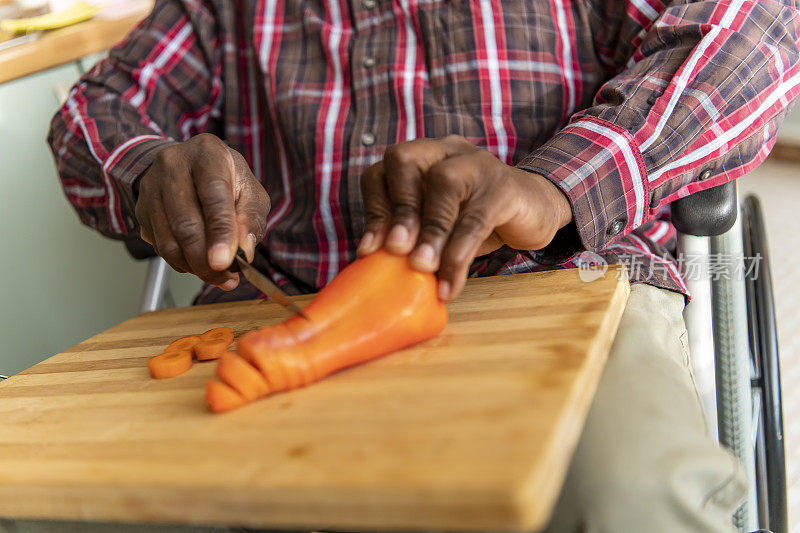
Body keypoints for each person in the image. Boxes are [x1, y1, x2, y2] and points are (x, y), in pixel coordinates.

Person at [42, 0, 799, 531]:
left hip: (569, 282)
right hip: (292, 307)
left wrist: (555, 185)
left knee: (627, 494)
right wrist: (146, 170)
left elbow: (755, 28)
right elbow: (93, 109)